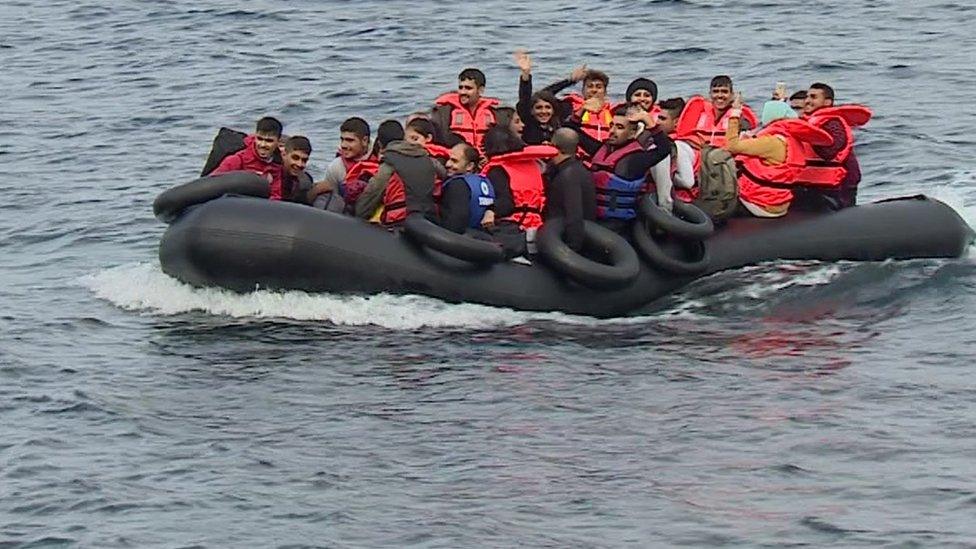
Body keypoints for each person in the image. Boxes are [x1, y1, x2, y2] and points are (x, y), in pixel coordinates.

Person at [724, 92, 832, 217]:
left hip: (761, 204)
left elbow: (731, 146)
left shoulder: (772, 142)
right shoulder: (790, 138)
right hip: (779, 202)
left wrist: (735, 113)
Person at [581, 104, 672, 230]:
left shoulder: (635, 159)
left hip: (618, 225)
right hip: (593, 220)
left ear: (632, 134)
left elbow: (664, 149)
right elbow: (570, 130)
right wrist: (583, 109)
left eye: (619, 127)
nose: (612, 131)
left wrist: (649, 121)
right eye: (611, 126)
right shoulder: (599, 149)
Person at [794, 82, 872, 209]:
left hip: (834, 189)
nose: (807, 101)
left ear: (827, 102)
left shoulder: (833, 123)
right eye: (807, 97)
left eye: (813, 97)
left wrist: (810, 135)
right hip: (808, 186)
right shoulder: (804, 123)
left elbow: (830, 152)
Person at [481, 126, 557, 256]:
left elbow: (505, 204)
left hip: (512, 227)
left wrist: (490, 211)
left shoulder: (497, 170)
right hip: (538, 225)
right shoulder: (533, 165)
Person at [355, 123, 445, 227]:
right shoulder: (428, 159)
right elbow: (443, 174)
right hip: (431, 219)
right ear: (403, 137)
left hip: (402, 224)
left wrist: (357, 215)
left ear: (379, 144)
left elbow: (369, 198)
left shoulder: (388, 166)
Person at [543, 128, 596, 251]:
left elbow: (574, 214)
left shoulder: (569, 175)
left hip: (567, 242)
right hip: (580, 236)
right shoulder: (577, 170)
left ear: (553, 146)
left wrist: (572, 250)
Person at [210, 116, 286, 198]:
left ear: (278, 141)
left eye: (269, 141)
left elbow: (275, 196)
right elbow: (212, 185)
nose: (263, 145)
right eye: (260, 139)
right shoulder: (237, 160)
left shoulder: (277, 165)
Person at [675, 75, 758, 148]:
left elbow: (744, 141)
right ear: (710, 94)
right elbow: (685, 136)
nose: (720, 95)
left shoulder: (738, 116)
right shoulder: (700, 113)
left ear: (732, 95)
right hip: (699, 154)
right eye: (715, 91)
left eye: (724, 92)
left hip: (723, 158)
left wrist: (736, 110)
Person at [431, 68, 500, 151]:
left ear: (480, 90)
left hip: (486, 160)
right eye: (460, 88)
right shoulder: (445, 111)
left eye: (468, 88)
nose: (463, 92)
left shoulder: (494, 111)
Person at [541, 65, 614, 142]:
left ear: (605, 92)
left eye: (598, 87)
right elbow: (543, 96)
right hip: (576, 151)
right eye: (590, 86)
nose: (594, 90)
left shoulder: (613, 110)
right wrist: (569, 81)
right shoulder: (570, 105)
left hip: (606, 150)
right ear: (583, 90)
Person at [439, 142, 496, 234]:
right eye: (448, 159)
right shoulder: (486, 182)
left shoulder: (458, 184)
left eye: (454, 161)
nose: (447, 164)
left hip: (463, 240)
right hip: (484, 238)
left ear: (470, 166)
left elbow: (454, 224)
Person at [513, 50, 561, 145]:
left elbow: (550, 91)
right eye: (539, 108)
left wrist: (571, 80)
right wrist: (525, 75)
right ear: (531, 110)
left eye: (548, 107)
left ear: (553, 110)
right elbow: (524, 98)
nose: (543, 111)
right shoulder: (528, 123)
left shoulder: (558, 125)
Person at [315, 117, 370, 197]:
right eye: (342, 140)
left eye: (350, 140)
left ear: (364, 140)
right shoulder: (336, 167)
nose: (343, 145)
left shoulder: (382, 158)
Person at [278, 136, 319, 205]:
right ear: (284, 155)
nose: (299, 164)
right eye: (295, 158)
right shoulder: (272, 175)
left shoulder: (305, 181)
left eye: (304, 160)